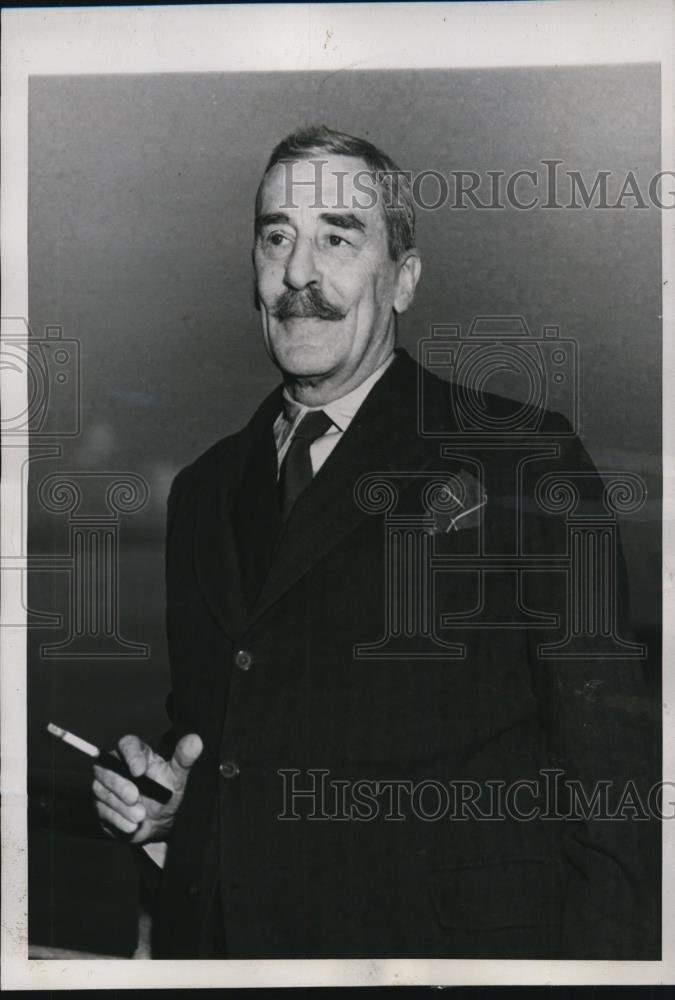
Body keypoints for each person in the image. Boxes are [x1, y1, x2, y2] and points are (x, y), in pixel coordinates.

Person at [92, 125, 659, 959]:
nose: (298, 275)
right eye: (276, 236)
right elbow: (230, 742)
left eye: (337, 237)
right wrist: (180, 806)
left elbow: (614, 786)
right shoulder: (202, 493)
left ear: (403, 279)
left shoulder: (522, 459)